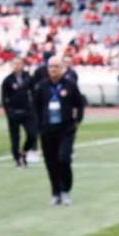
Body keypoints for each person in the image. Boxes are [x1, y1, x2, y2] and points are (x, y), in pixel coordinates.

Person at [32, 56, 84, 206]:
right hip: (47, 129)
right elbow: (35, 107)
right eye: (51, 66)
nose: (53, 69)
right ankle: (56, 192)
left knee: (64, 159)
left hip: (65, 129)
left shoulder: (70, 85)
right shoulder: (42, 87)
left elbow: (80, 104)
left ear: (62, 68)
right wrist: (38, 126)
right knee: (50, 162)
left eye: (56, 66)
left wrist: (77, 120)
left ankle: (66, 189)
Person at [1, 57, 37, 167]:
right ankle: (17, 159)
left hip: (27, 112)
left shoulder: (28, 78)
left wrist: (33, 108)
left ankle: (24, 151)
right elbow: (4, 98)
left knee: (32, 133)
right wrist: (8, 112)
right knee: (15, 137)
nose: (17, 66)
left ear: (23, 65)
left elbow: (34, 93)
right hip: (14, 112)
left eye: (19, 64)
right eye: (15, 64)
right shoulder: (8, 80)